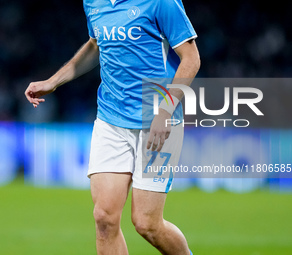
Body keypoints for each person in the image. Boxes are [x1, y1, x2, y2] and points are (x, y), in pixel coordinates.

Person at [25, 0, 200, 254]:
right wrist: (54, 81)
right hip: (111, 120)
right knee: (104, 219)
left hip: (157, 122)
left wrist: (165, 110)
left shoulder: (162, 2)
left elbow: (191, 58)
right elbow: (96, 45)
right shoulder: (93, 2)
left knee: (147, 223)